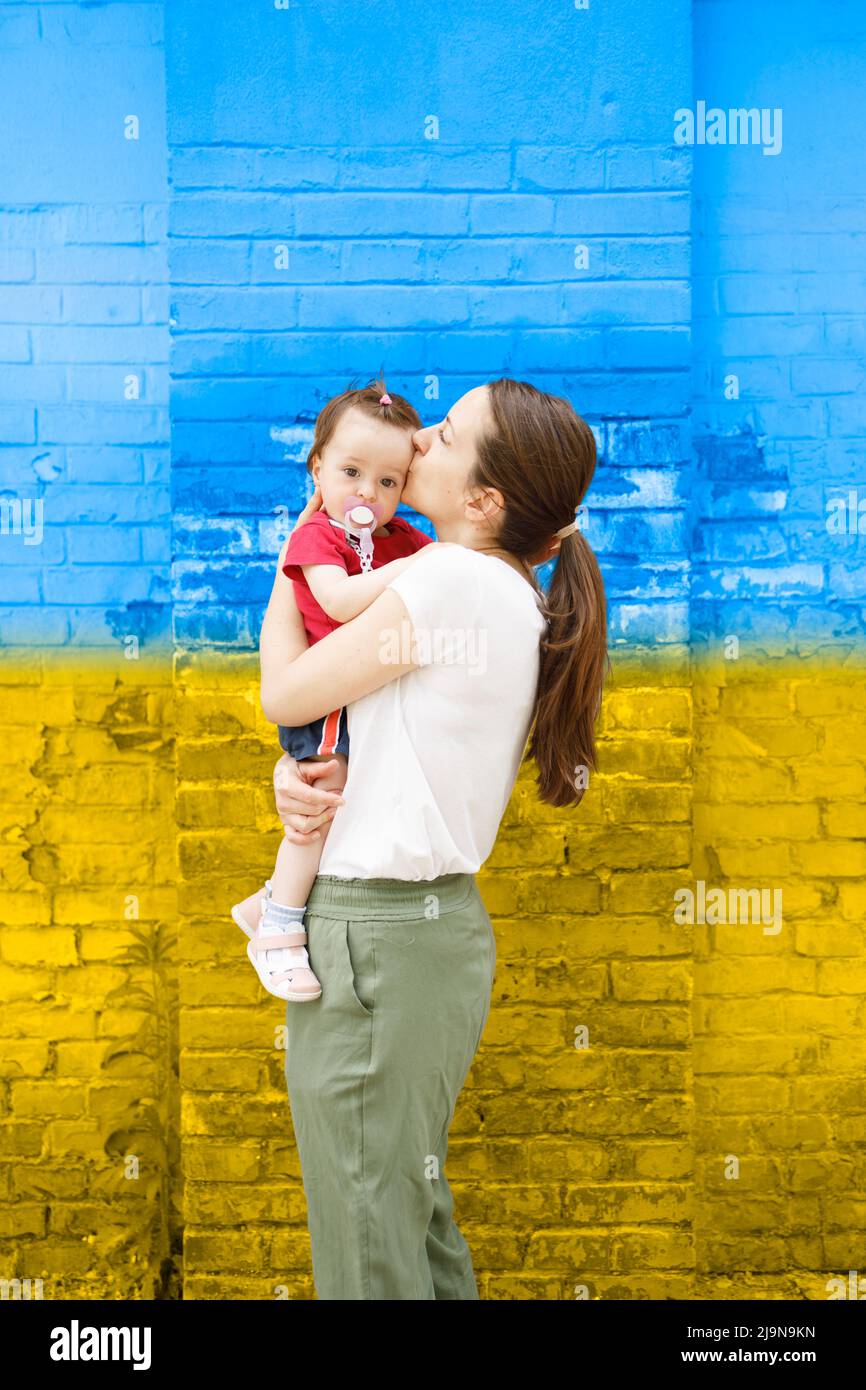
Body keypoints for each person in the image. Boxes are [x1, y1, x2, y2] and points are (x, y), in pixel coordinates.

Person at [258, 377, 610, 1300]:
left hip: (378, 942)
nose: (419, 444)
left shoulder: (452, 578)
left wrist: (297, 553)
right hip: (422, 936)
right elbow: (364, 734)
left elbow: (288, 695)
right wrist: (298, 779)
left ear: (484, 501)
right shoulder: (492, 589)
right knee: (409, 1221)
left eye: (445, 437)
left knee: (368, 1241)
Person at [231, 379, 431, 1002]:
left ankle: (266, 902)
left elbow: (444, 568)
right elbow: (338, 602)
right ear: (317, 468)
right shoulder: (316, 538)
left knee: (352, 800)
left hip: (360, 699)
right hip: (326, 706)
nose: (367, 493)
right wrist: (408, 570)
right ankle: (279, 927)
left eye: (388, 481)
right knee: (320, 810)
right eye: (350, 471)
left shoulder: (403, 541)